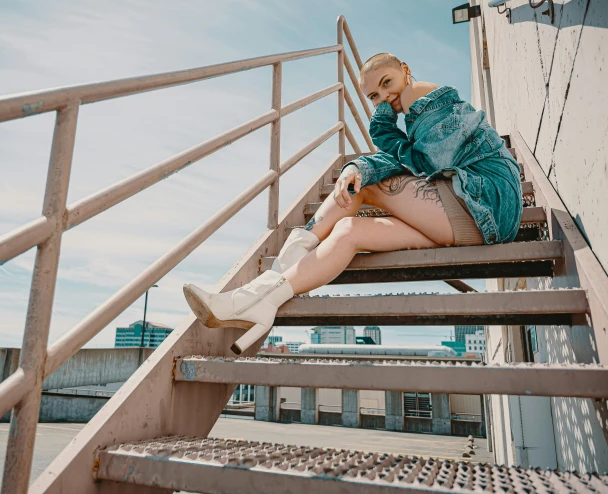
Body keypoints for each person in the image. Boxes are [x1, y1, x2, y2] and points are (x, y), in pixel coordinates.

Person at [183, 52, 523, 355]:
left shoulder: (422, 94)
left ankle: (278, 269)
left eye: (387, 82)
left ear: (406, 70)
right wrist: (357, 165)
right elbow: (408, 160)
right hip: (469, 219)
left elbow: (426, 163)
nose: (385, 96)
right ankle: (262, 301)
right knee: (348, 231)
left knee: (364, 186)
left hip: (484, 200)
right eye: (374, 96)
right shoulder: (412, 110)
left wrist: (377, 133)